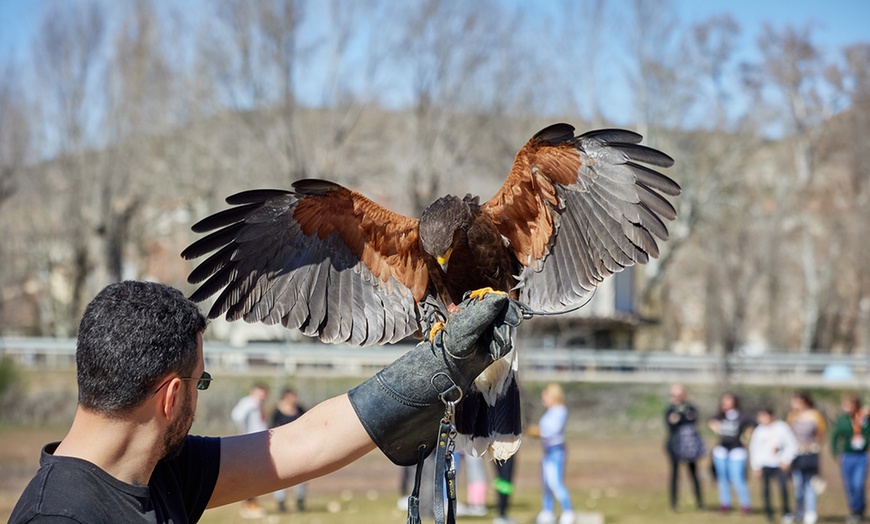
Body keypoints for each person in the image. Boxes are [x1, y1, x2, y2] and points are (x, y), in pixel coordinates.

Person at [9, 280, 521, 523]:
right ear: (171, 396)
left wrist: (440, 366)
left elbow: (301, 443)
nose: (198, 396)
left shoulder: (154, 470)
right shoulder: (59, 519)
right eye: (199, 382)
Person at [529, 383, 575, 524]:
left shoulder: (560, 410)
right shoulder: (550, 412)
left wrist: (533, 431)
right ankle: (548, 510)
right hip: (547, 451)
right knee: (546, 483)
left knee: (555, 483)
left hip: (556, 451)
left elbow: (551, 431)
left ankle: (568, 511)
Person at [749, 406, 798, 523]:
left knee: (783, 488)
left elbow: (792, 444)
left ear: (771, 416)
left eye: (763, 416)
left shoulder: (782, 427)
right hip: (765, 464)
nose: (760, 419)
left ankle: (786, 512)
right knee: (765, 490)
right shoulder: (759, 430)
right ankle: (768, 513)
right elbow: (754, 449)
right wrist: (756, 466)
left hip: (779, 464)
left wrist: (786, 460)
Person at [708, 392, 754, 514]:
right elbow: (711, 421)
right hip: (722, 451)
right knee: (723, 479)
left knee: (738, 478)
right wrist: (713, 425)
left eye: (727, 401)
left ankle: (745, 505)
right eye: (723, 401)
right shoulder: (720, 416)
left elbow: (753, 424)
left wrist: (748, 434)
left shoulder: (742, 416)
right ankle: (725, 504)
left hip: (737, 451)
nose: (725, 404)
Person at [787, 392, 827, 524]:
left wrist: (814, 446)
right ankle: (799, 512)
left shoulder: (815, 416)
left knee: (810, 484)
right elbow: (788, 434)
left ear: (804, 401)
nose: (793, 404)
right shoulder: (792, 416)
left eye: (796, 401)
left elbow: (821, 435)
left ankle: (810, 512)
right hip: (796, 454)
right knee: (798, 485)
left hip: (810, 454)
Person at [231, 382, 270, 518]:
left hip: (259, 443)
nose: (262, 395)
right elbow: (236, 416)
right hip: (251, 443)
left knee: (257, 476)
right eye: (260, 392)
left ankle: (252, 503)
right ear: (253, 391)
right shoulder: (249, 403)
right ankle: (249, 505)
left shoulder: (259, 406)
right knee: (251, 476)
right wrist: (245, 432)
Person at [663, 383, 704, 511]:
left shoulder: (690, 408)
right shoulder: (670, 409)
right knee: (675, 475)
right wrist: (682, 418)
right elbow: (670, 424)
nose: (676, 397)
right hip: (675, 446)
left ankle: (700, 502)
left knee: (693, 473)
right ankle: (674, 503)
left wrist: (679, 418)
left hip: (690, 446)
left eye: (678, 395)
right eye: (673, 395)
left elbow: (692, 420)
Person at [831, 394, 870, 524]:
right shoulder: (843, 420)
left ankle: (859, 510)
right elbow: (835, 436)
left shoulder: (864, 418)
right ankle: (853, 510)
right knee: (849, 485)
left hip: (861, 456)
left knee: (858, 484)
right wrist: (836, 452)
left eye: (849, 405)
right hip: (847, 456)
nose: (846, 408)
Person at [270, 387, 307, 513]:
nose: (294, 399)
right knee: (280, 476)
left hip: (299, 447)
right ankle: (281, 503)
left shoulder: (300, 409)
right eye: (291, 397)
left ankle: (300, 502)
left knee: (302, 475)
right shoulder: (277, 412)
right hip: (282, 449)